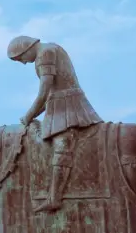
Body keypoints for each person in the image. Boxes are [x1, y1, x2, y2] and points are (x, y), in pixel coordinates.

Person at [8, 35, 103, 212]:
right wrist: (31, 115)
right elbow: (49, 97)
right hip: (59, 104)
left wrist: (28, 115)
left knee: (62, 144)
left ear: (26, 48)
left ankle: (54, 197)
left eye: (20, 58)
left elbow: (44, 92)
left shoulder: (46, 53)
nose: (23, 63)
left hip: (69, 105)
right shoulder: (48, 51)